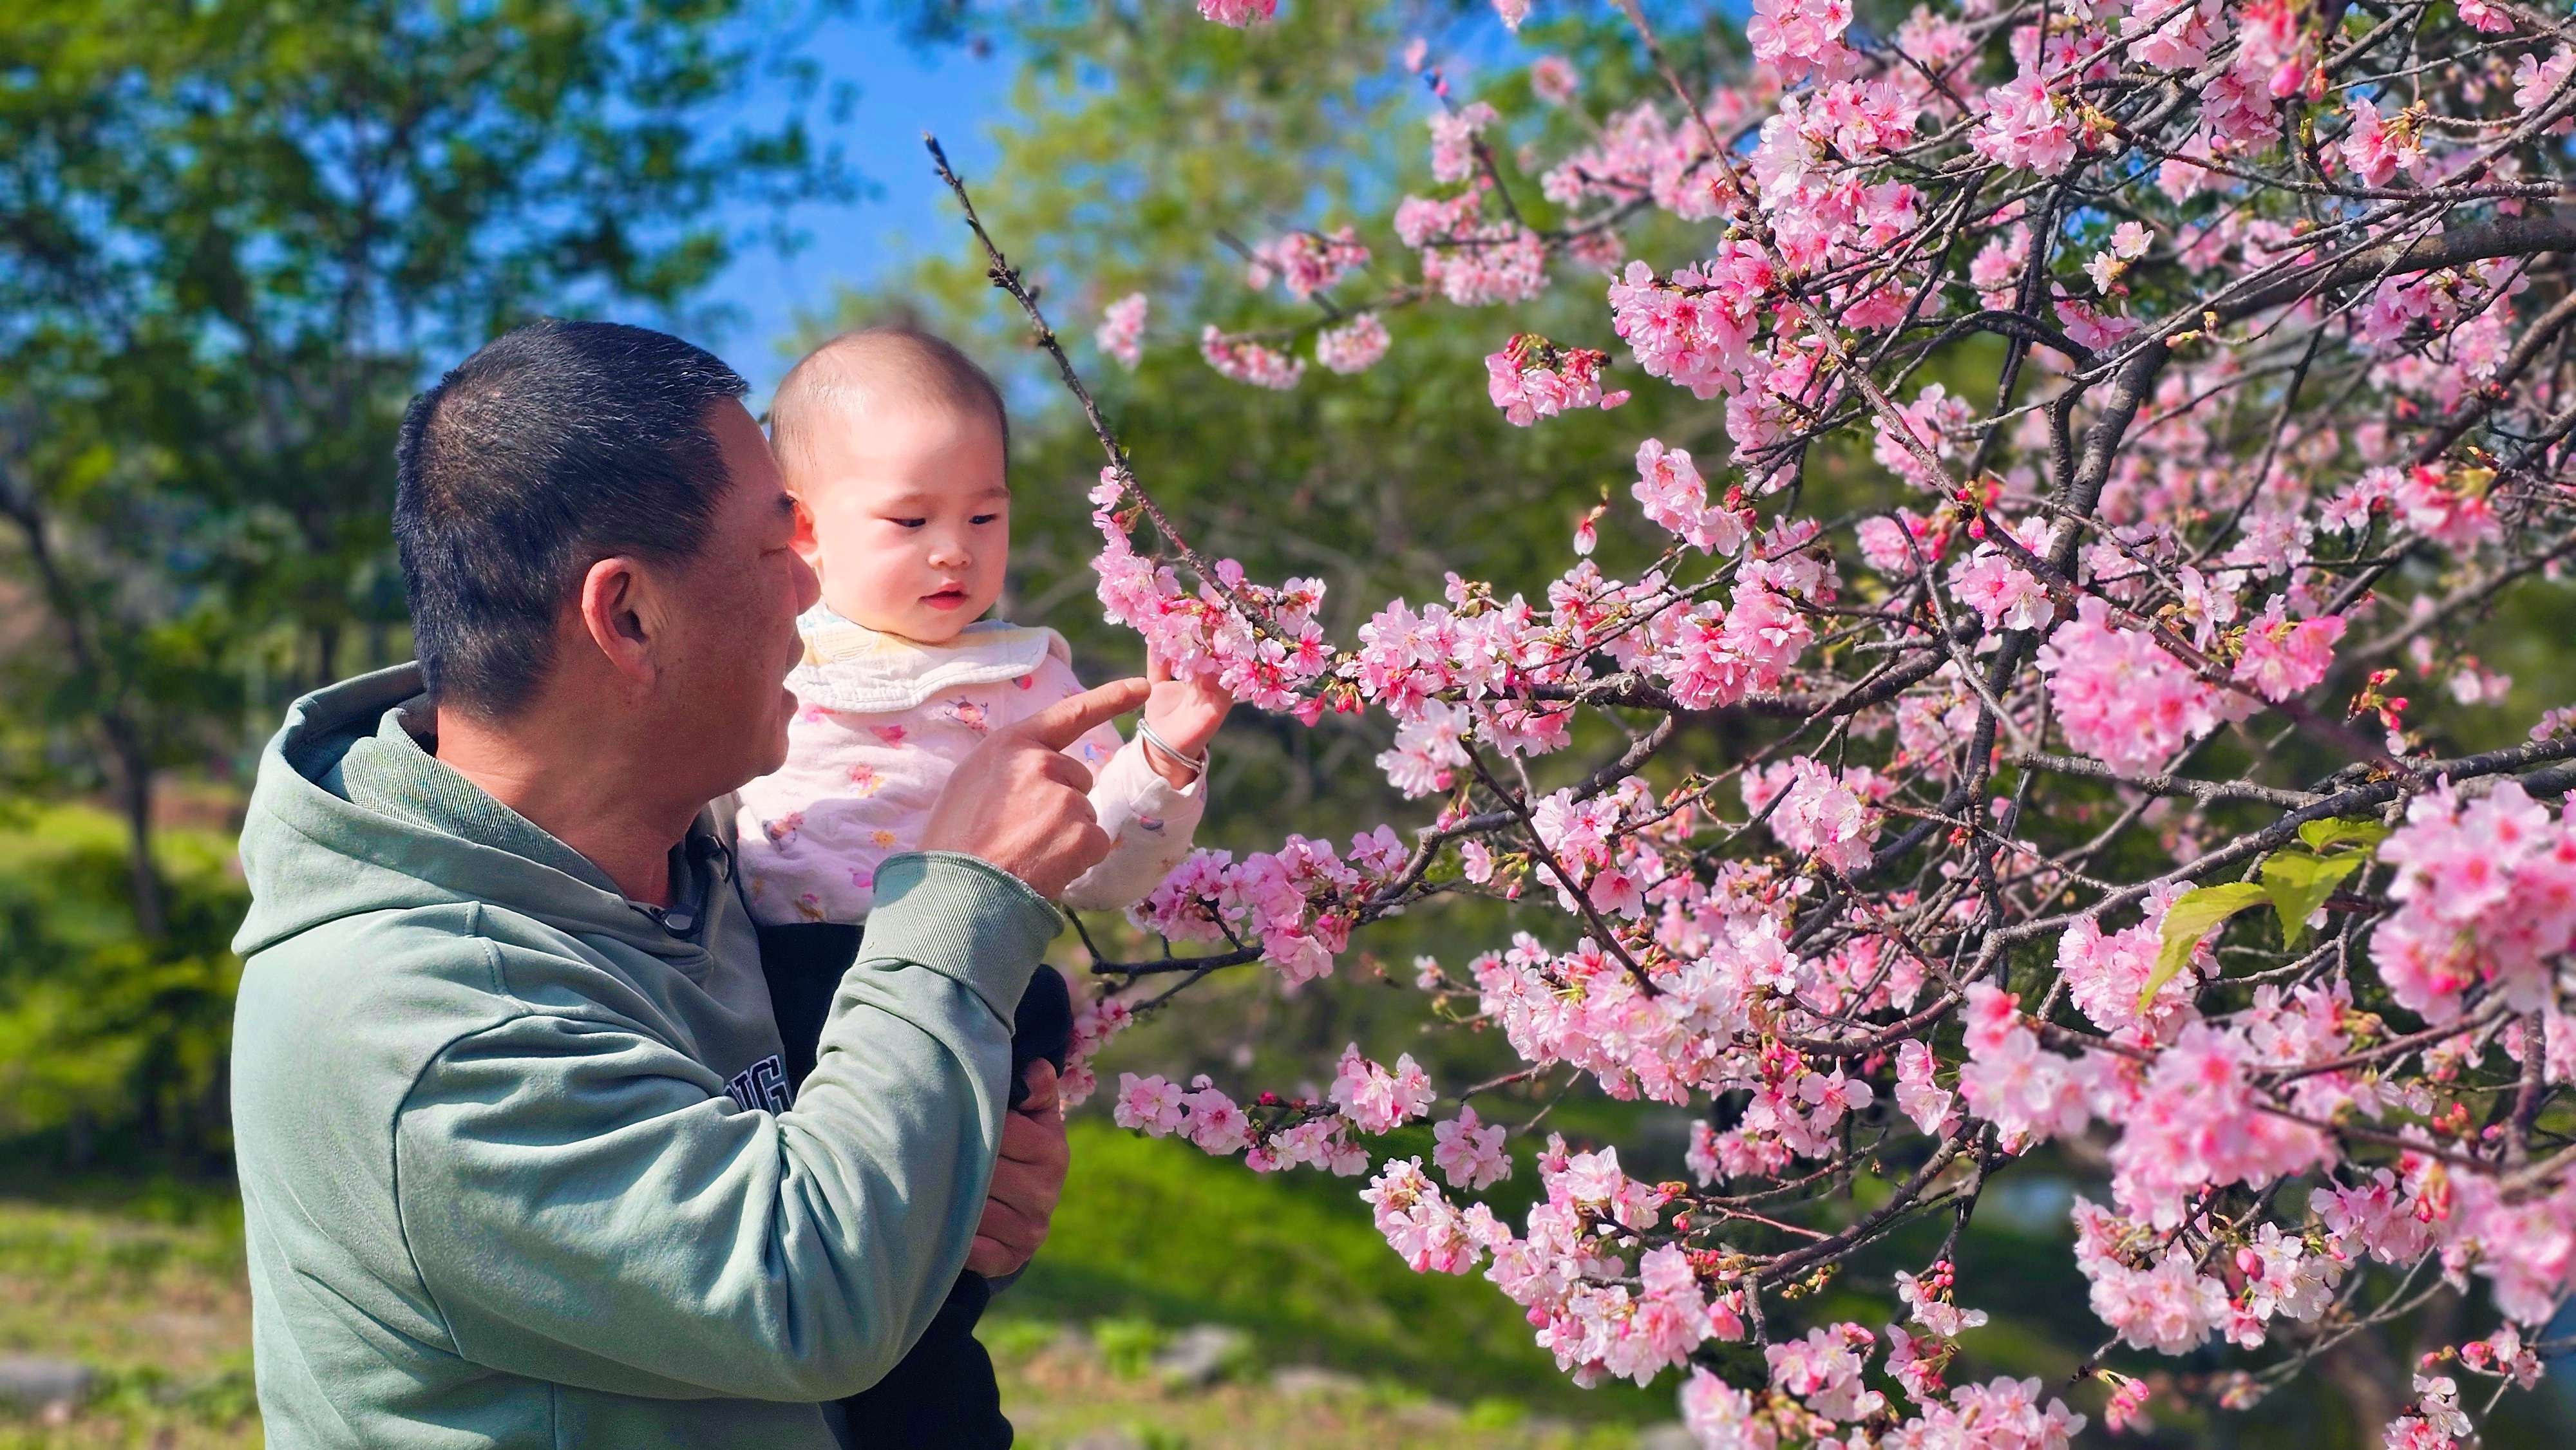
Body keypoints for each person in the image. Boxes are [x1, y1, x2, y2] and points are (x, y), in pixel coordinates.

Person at [228, 318, 1128, 1447]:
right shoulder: (420, 1023)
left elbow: (860, 1251)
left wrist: (954, 1202)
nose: (815, 583)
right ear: (630, 616)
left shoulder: (705, 865)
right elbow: (812, 1297)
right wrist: (962, 901)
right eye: (777, 547)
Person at [732, 325, 1234, 1444]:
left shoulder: (1024, 678)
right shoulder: (763, 653)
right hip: (780, 992)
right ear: (804, 527)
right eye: (910, 522)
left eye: (985, 517)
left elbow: (1103, 867)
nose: (953, 553)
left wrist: (1163, 756)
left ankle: (931, 1372)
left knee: (927, 1322)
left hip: (971, 990)